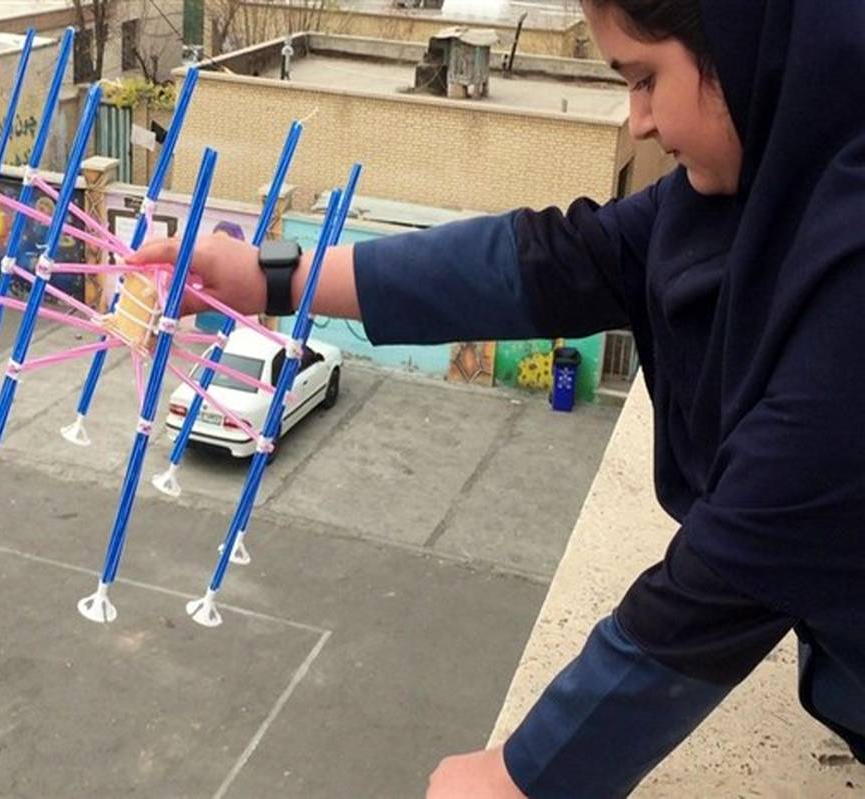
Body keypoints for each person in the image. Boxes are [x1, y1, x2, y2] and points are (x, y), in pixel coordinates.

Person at [128, 1, 865, 795]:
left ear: (739, 42)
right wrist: (276, 277)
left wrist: (521, 775)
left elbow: (737, 560)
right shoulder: (770, 179)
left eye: (646, 78)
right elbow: (556, 260)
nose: (639, 123)